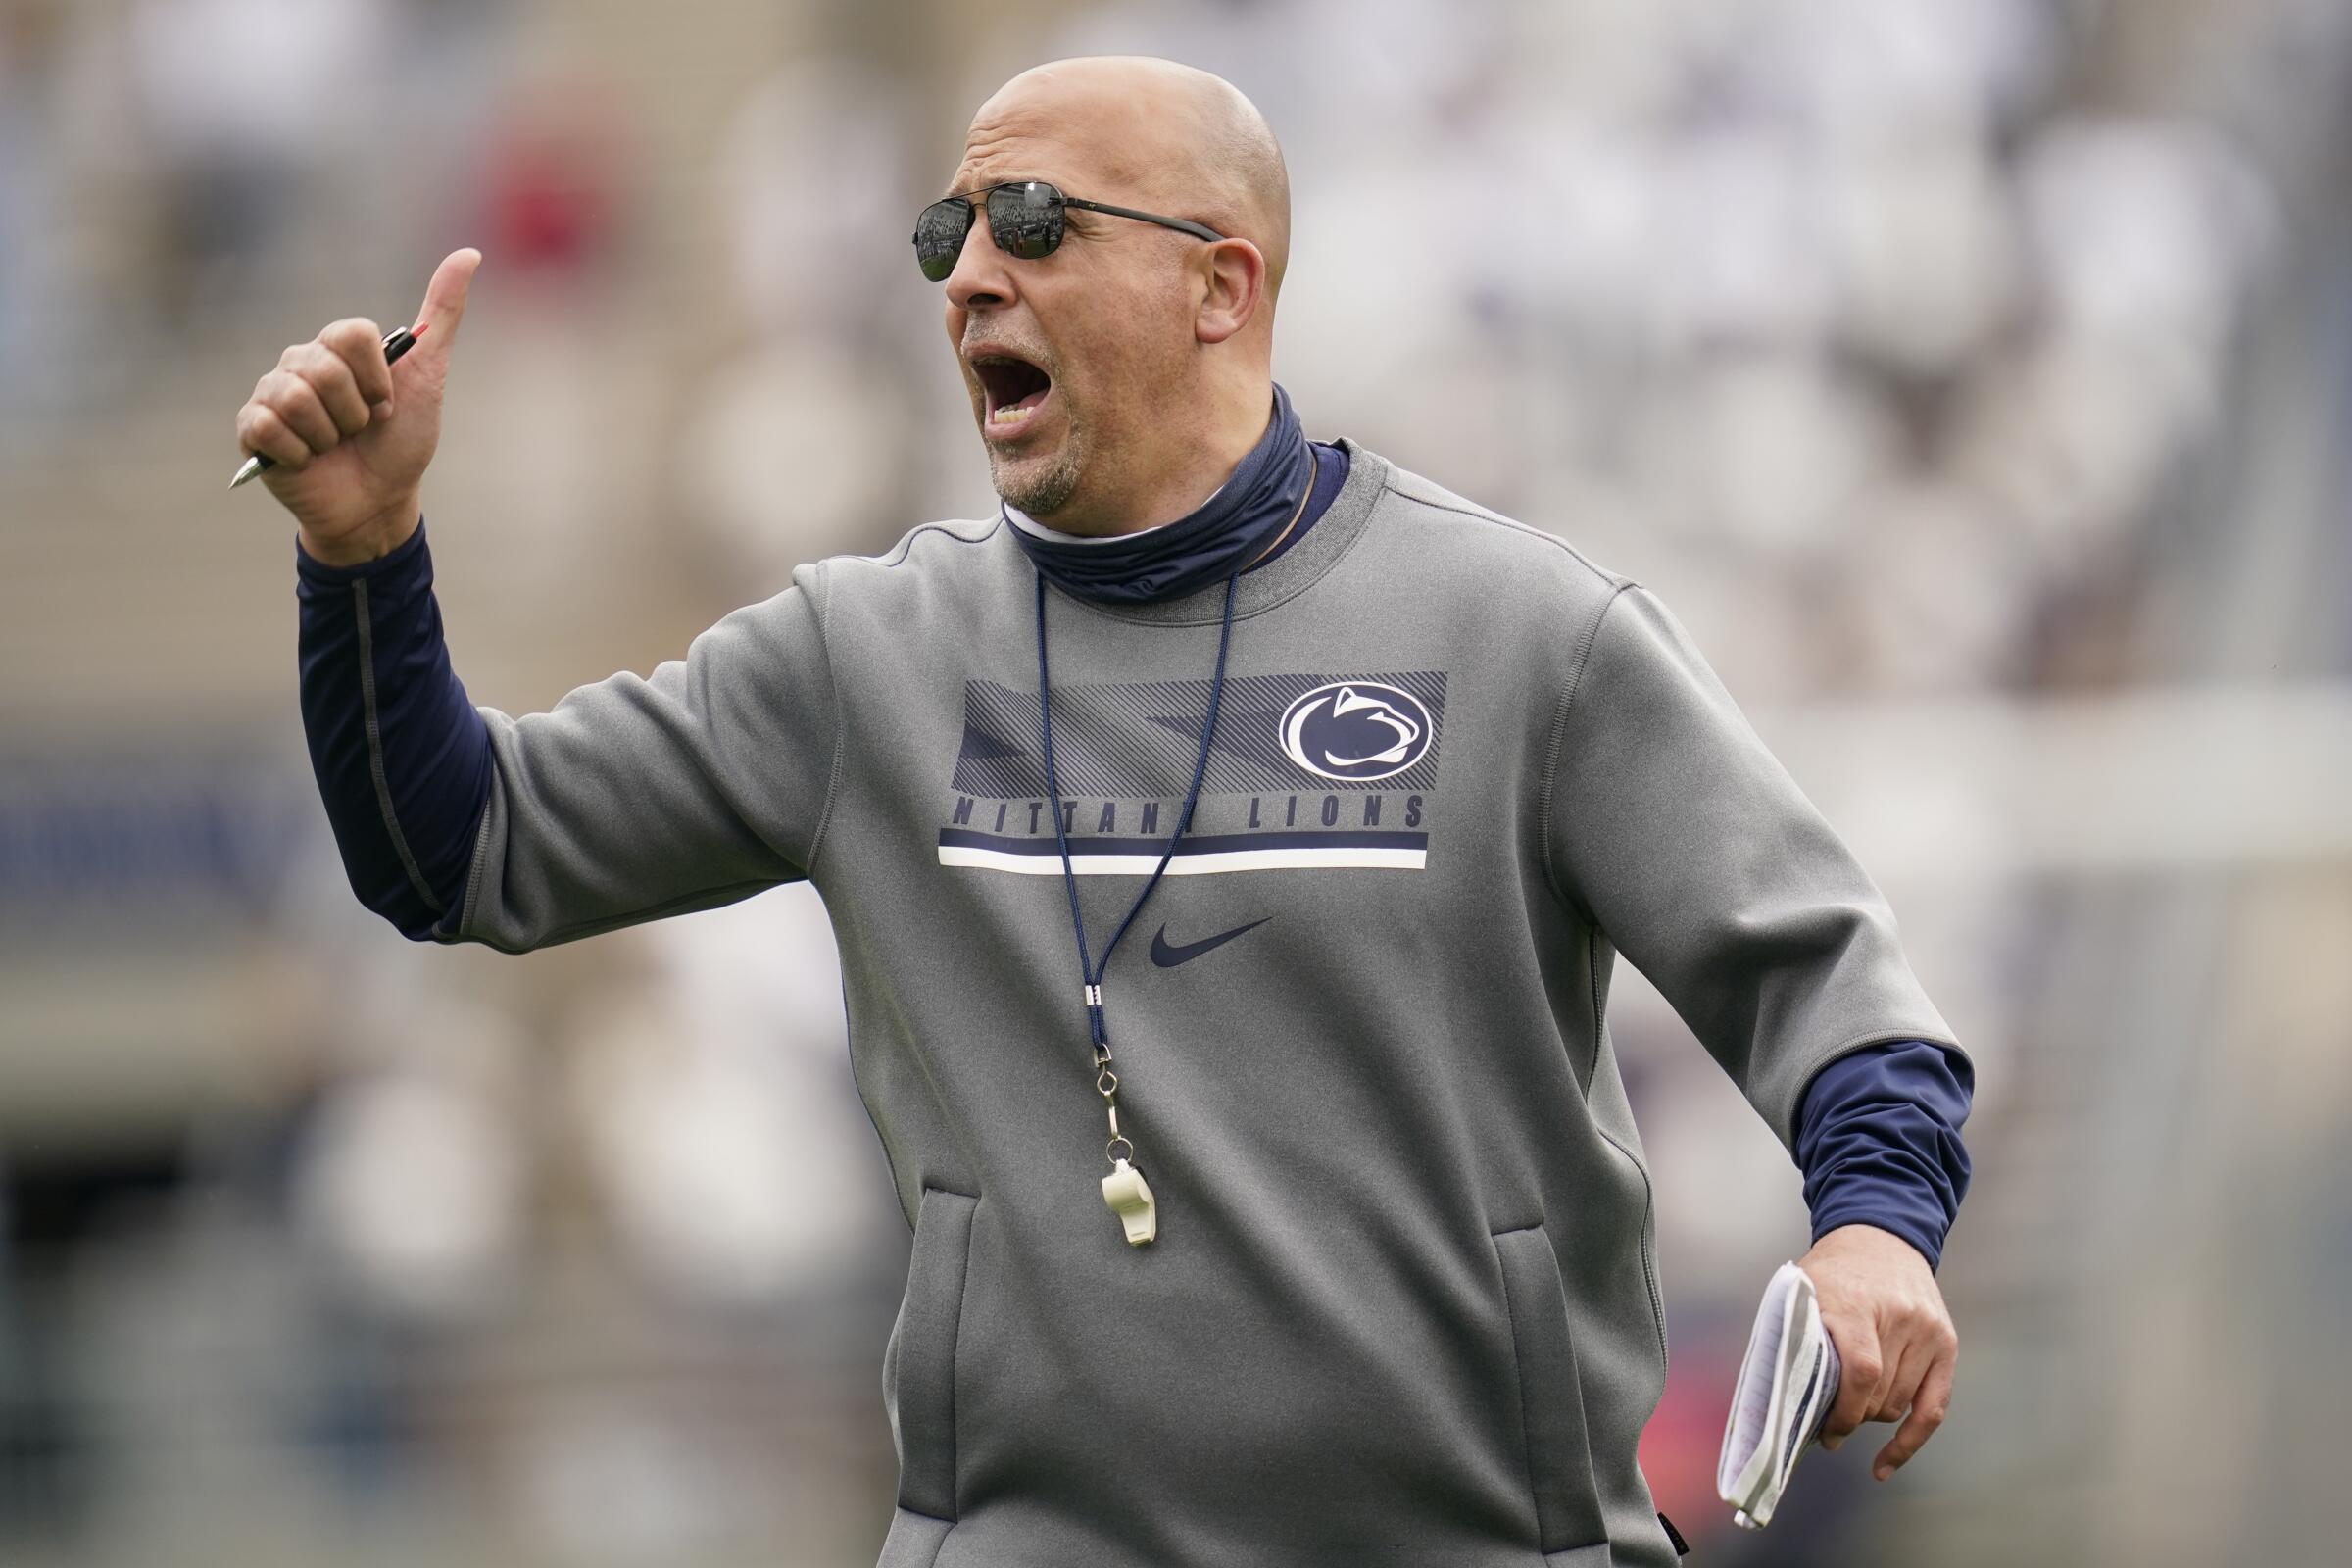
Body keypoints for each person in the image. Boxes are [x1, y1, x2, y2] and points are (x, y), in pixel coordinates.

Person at [238, 55, 1974, 1568]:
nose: (972, 276)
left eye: (1039, 225)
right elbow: (452, 851)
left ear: (1221, 286)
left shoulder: (1525, 636)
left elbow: (1832, 988)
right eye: (950, 235)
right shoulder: (862, 660)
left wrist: (1877, 1230)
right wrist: (363, 556)